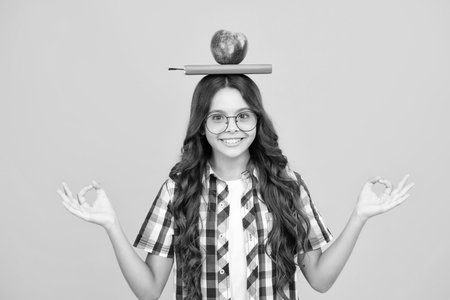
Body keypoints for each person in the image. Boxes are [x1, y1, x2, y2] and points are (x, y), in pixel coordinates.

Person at [57, 74, 414, 300]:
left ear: (258, 121)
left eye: (243, 115)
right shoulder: (177, 189)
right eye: (218, 117)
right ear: (202, 125)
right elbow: (149, 290)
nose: (232, 128)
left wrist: (360, 216)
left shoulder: (286, 185)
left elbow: (320, 280)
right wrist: (111, 226)